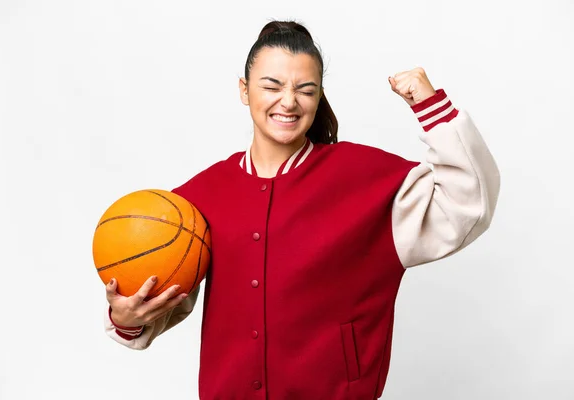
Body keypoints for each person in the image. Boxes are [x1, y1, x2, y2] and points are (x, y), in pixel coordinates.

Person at [103, 20, 500, 399]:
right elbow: (164, 299)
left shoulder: (367, 180)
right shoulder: (198, 198)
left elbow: (468, 202)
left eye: (306, 89)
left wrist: (430, 105)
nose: (288, 102)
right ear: (244, 90)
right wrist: (126, 319)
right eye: (271, 86)